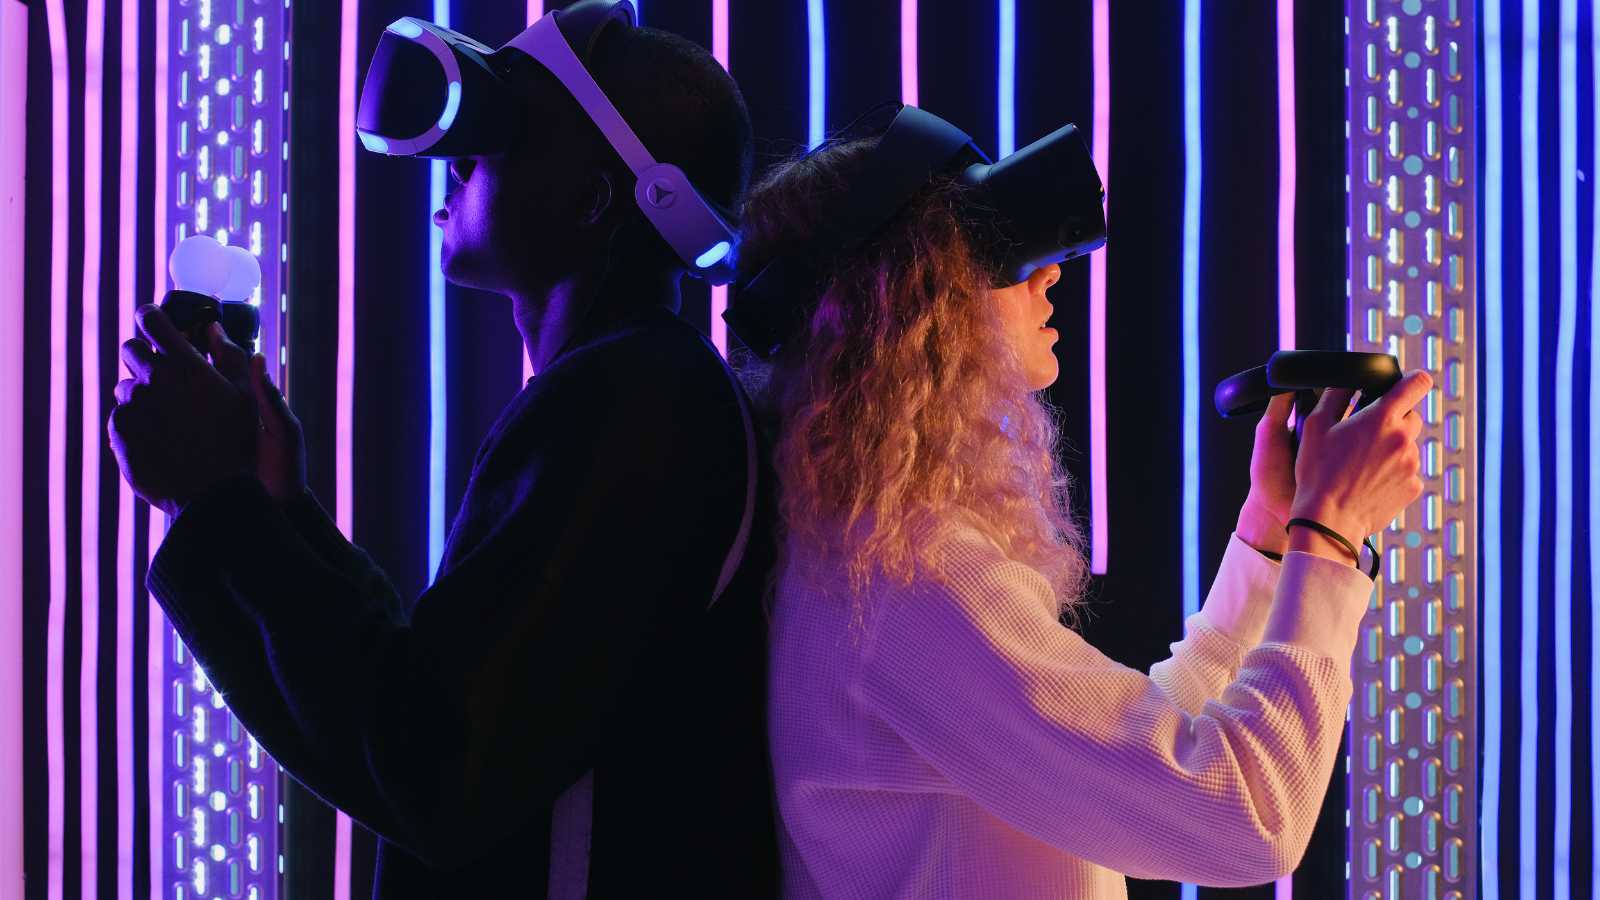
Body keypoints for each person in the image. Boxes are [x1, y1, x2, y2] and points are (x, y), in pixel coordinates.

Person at [106, 8, 777, 898]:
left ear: (591, 197)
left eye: (502, 130)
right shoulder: (627, 390)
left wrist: (222, 505)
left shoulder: (640, 400)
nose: (456, 158)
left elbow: (438, 778)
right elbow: (425, 706)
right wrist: (273, 511)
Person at [734, 132, 1430, 897]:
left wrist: (1270, 540)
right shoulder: (906, 578)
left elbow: (1137, 769)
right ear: (915, 306)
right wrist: (1328, 536)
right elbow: (1249, 821)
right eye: (999, 254)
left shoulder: (869, 556)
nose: (1049, 273)